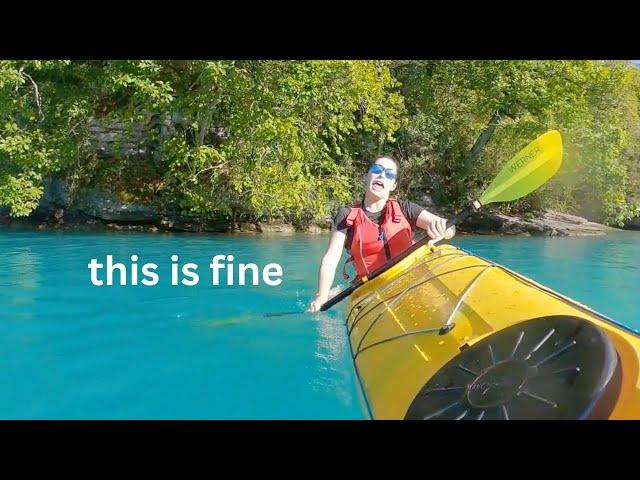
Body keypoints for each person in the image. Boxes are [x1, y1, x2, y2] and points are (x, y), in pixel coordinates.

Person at [307, 155, 454, 313]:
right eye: (377, 170)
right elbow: (331, 257)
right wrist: (321, 296)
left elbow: (450, 228)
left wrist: (443, 230)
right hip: (371, 289)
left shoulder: (406, 209)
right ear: (367, 176)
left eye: (389, 174)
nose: (382, 175)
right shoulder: (346, 216)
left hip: (409, 279)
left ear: (393, 185)